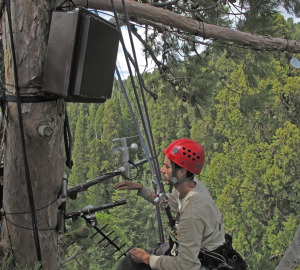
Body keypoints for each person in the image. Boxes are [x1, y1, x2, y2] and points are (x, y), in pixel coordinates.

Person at [114, 138, 226, 270]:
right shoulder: (192, 187)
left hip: (200, 261)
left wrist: (147, 259)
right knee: (130, 263)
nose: (162, 170)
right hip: (198, 250)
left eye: (167, 167)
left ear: (182, 172)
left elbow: (186, 265)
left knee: (131, 266)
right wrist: (141, 188)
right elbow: (169, 202)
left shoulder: (191, 213)